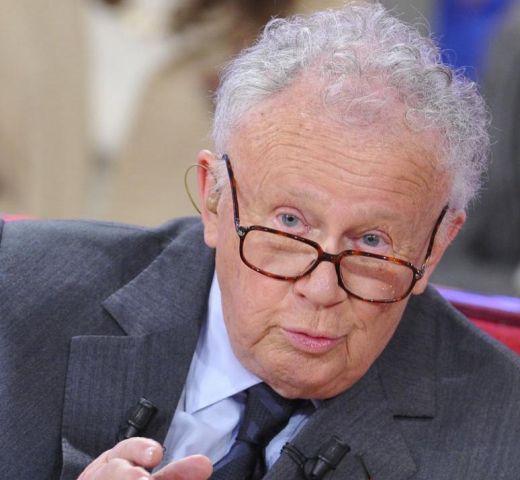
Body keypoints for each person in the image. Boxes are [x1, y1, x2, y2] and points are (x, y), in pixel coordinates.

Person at [1, 2, 520, 479]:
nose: (321, 289)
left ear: (435, 246)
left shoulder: (503, 437)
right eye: (290, 223)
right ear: (214, 198)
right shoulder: (16, 292)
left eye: (371, 241)